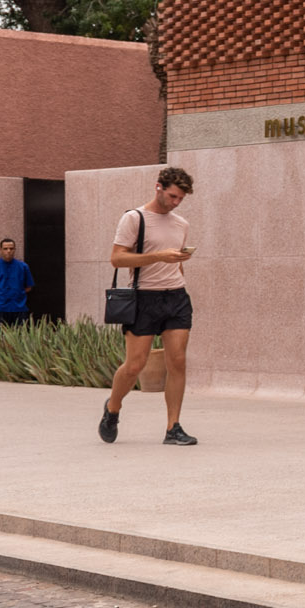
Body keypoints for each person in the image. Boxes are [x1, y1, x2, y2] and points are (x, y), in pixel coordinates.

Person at [99, 166, 200, 447]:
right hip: (144, 298)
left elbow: (175, 261)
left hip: (176, 297)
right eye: (172, 196)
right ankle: (112, 408)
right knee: (135, 365)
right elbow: (117, 259)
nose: (176, 202)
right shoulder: (134, 218)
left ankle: (173, 428)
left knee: (177, 361)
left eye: (180, 198)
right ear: (158, 187)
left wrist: (177, 264)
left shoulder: (181, 223)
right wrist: (158, 256)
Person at [0, 237, 34, 328]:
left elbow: (29, 286)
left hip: (19, 307)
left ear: (14, 250)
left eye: (11, 249)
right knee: (1, 335)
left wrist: (19, 293)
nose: (8, 251)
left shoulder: (23, 267)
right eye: (5, 249)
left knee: (20, 335)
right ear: (1, 250)